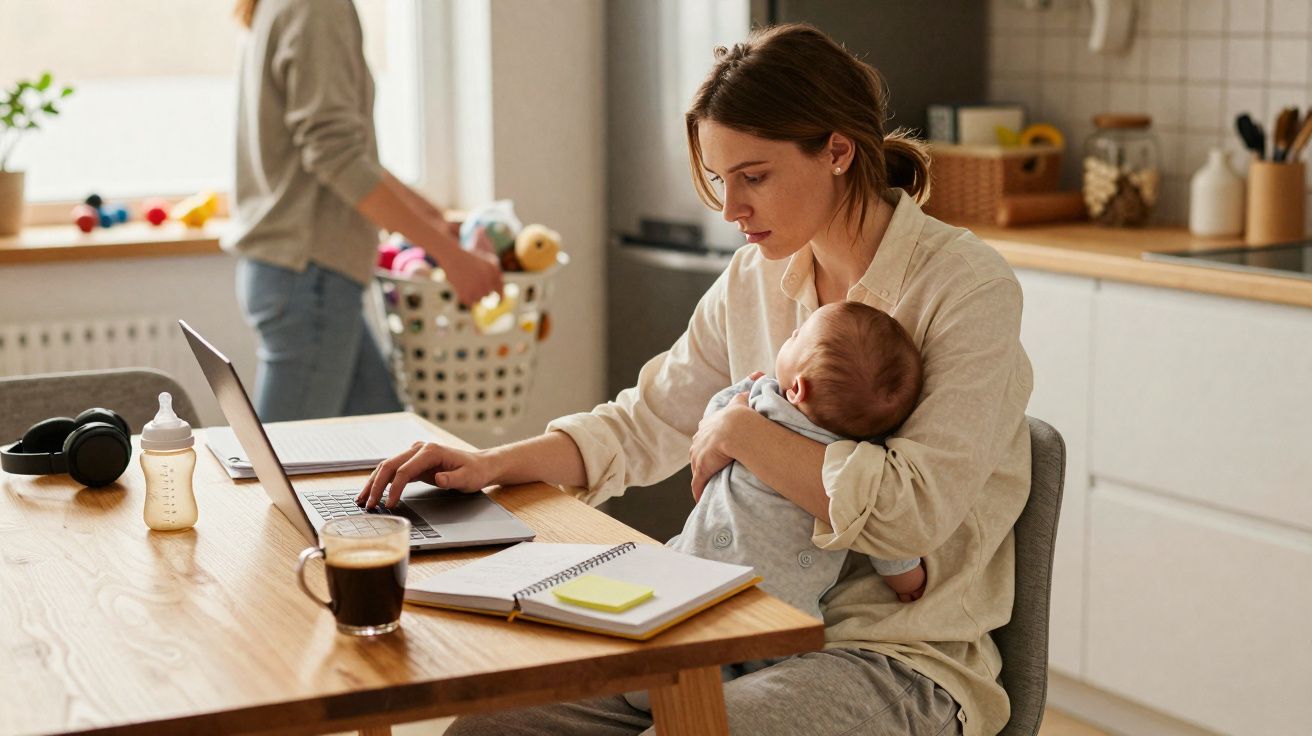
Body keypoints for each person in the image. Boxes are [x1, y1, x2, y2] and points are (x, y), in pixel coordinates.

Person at [362, 23, 1032, 736]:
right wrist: (492, 464)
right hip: (728, 625)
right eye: (719, 178)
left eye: (754, 176)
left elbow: (911, 514)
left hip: (897, 659)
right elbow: (650, 420)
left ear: (838, 150)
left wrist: (743, 431)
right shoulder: (757, 273)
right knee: (491, 726)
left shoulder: (964, 286)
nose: (729, 208)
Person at [623, 300, 926, 714]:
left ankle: (688, 686)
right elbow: (877, 526)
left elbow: (712, 428)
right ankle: (722, 689)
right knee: (754, 678)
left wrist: (731, 411)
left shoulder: (759, 399)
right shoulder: (859, 461)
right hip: (784, 612)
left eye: (796, 337)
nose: (789, 335)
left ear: (797, 388)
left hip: (703, 577)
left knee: (658, 675)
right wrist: (905, 578)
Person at [229, 0, 501, 421]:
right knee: (281, 470)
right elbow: (336, 155)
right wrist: (450, 256)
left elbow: (347, 155)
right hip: (311, 277)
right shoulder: (316, 7)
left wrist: (436, 221)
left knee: (388, 451)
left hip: (301, 275)